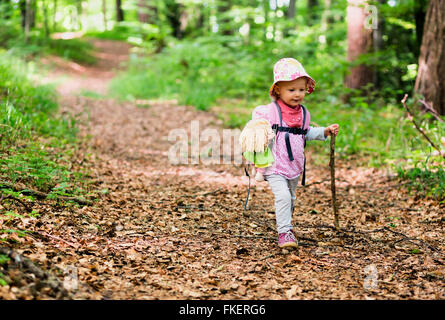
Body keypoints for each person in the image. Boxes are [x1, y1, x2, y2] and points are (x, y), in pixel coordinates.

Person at [249, 58, 339, 249]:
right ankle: (285, 232)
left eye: (301, 89)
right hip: (274, 164)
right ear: (278, 90)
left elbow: (306, 133)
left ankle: (286, 224)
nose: (297, 94)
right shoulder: (272, 111)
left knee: (289, 198)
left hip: (294, 165)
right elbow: (257, 125)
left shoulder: (304, 113)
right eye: (291, 90)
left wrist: (325, 131)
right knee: (282, 196)